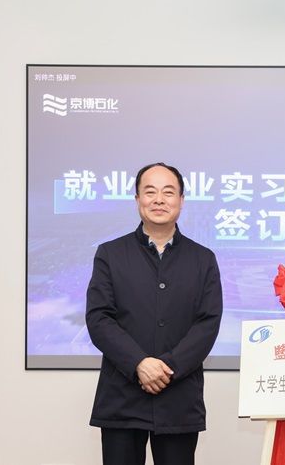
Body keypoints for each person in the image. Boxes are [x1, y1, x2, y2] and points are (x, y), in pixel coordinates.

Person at [86, 162, 223, 465]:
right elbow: (99, 318)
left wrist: (167, 367)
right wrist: (138, 363)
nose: (159, 199)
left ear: (181, 200)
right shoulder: (110, 254)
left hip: (178, 398)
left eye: (168, 192)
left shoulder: (203, 259)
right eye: (150, 192)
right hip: (122, 398)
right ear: (138, 199)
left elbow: (208, 323)